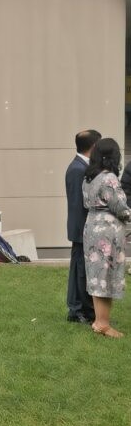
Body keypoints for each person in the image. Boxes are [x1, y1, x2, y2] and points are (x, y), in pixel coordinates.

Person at [82, 138, 131, 338]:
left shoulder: (88, 177)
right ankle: (103, 324)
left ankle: (98, 321)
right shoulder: (109, 178)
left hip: (92, 226)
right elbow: (119, 207)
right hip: (107, 233)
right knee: (106, 277)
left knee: (97, 276)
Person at [65, 129, 101, 324]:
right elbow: (78, 205)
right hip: (81, 230)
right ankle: (77, 310)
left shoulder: (80, 166)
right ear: (94, 146)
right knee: (79, 271)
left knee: (79, 270)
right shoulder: (78, 169)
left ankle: (79, 309)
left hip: (82, 229)